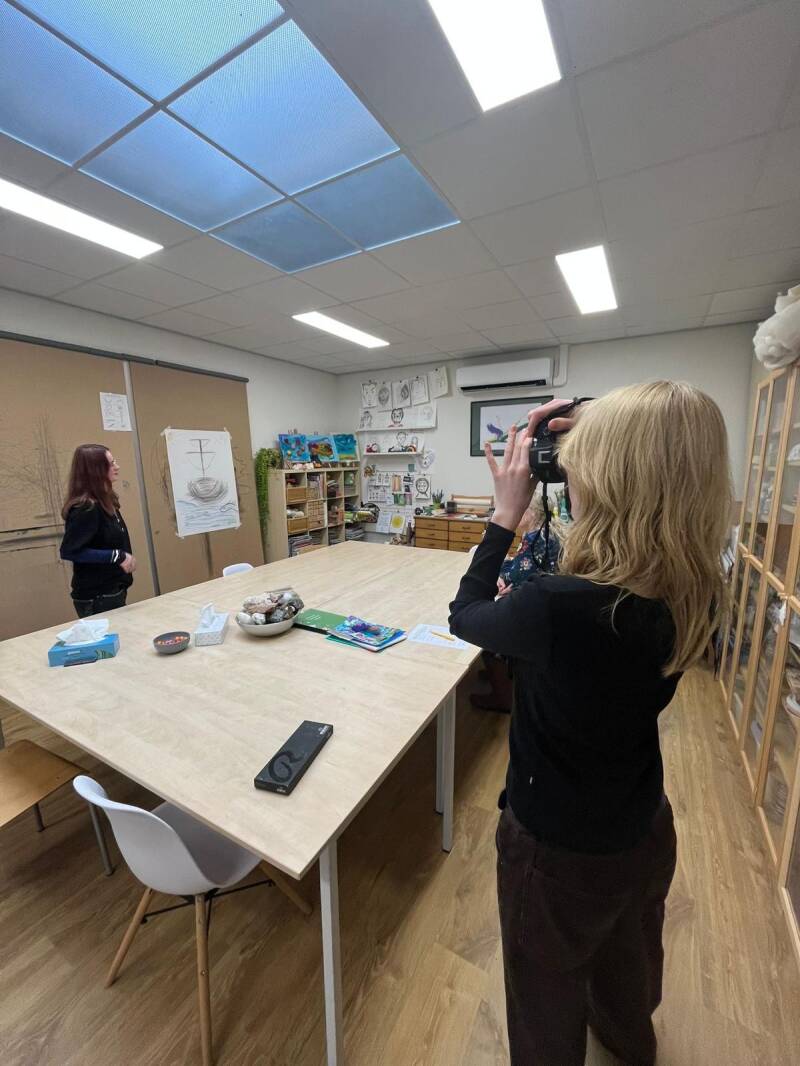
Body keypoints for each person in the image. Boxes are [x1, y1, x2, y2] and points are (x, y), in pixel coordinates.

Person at [449, 383, 730, 1066]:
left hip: (555, 848)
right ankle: (628, 1043)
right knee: (629, 961)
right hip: (641, 823)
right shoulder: (694, 589)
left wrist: (504, 514)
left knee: (544, 995)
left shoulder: (556, 607)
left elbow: (465, 616)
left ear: (609, 482)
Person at [472, 496, 565, 714]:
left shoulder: (535, 538)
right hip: (545, 605)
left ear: (531, 513)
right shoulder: (543, 532)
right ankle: (499, 675)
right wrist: (504, 571)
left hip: (535, 614)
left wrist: (494, 559)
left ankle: (502, 696)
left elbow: (515, 575)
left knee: (488, 641)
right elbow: (517, 567)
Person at [60, 444, 136, 618]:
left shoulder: (106, 500)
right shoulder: (86, 508)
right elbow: (70, 551)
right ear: (95, 470)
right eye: (111, 463)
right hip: (97, 597)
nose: (117, 467)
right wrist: (117, 556)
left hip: (114, 589)